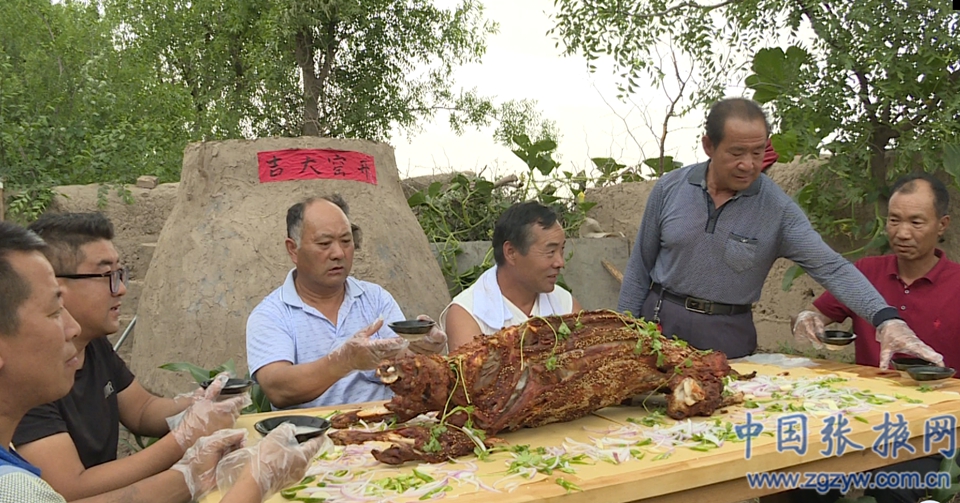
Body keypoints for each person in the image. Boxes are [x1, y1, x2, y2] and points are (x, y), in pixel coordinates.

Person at [0, 221, 324, 503]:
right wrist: (192, 445)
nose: (122, 289)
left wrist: (195, 410)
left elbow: (141, 410)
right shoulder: (15, 485)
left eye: (121, 274)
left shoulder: (93, 347)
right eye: (54, 310)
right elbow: (69, 489)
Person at [616, 97, 943, 367]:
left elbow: (831, 267)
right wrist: (624, 335)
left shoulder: (777, 210)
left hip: (727, 339)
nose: (749, 164)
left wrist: (886, 319)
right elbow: (639, 268)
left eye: (758, 152)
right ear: (708, 146)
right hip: (658, 326)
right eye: (736, 153)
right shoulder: (670, 188)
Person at [246, 194, 448, 410]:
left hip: (383, 428)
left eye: (346, 241)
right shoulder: (271, 314)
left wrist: (423, 350)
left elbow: (400, 361)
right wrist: (345, 361)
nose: (338, 253)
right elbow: (279, 389)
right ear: (293, 249)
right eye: (324, 244)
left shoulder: (375, 299)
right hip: (309, 435)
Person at [793, 173, 958, 370]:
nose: (902, 233)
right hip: (870, 396)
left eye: (916, 223)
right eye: (894, 220)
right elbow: (812, 316)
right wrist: (806, 321)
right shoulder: (866, 272)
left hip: (944, 397)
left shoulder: (955, 282)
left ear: (942, 225)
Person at [440, 201, 584, 351]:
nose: (560, 262)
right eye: (550, 252)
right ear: (511, 252)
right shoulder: (467, 315)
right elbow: (471, 372)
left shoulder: (566, 305)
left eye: (561, 250)